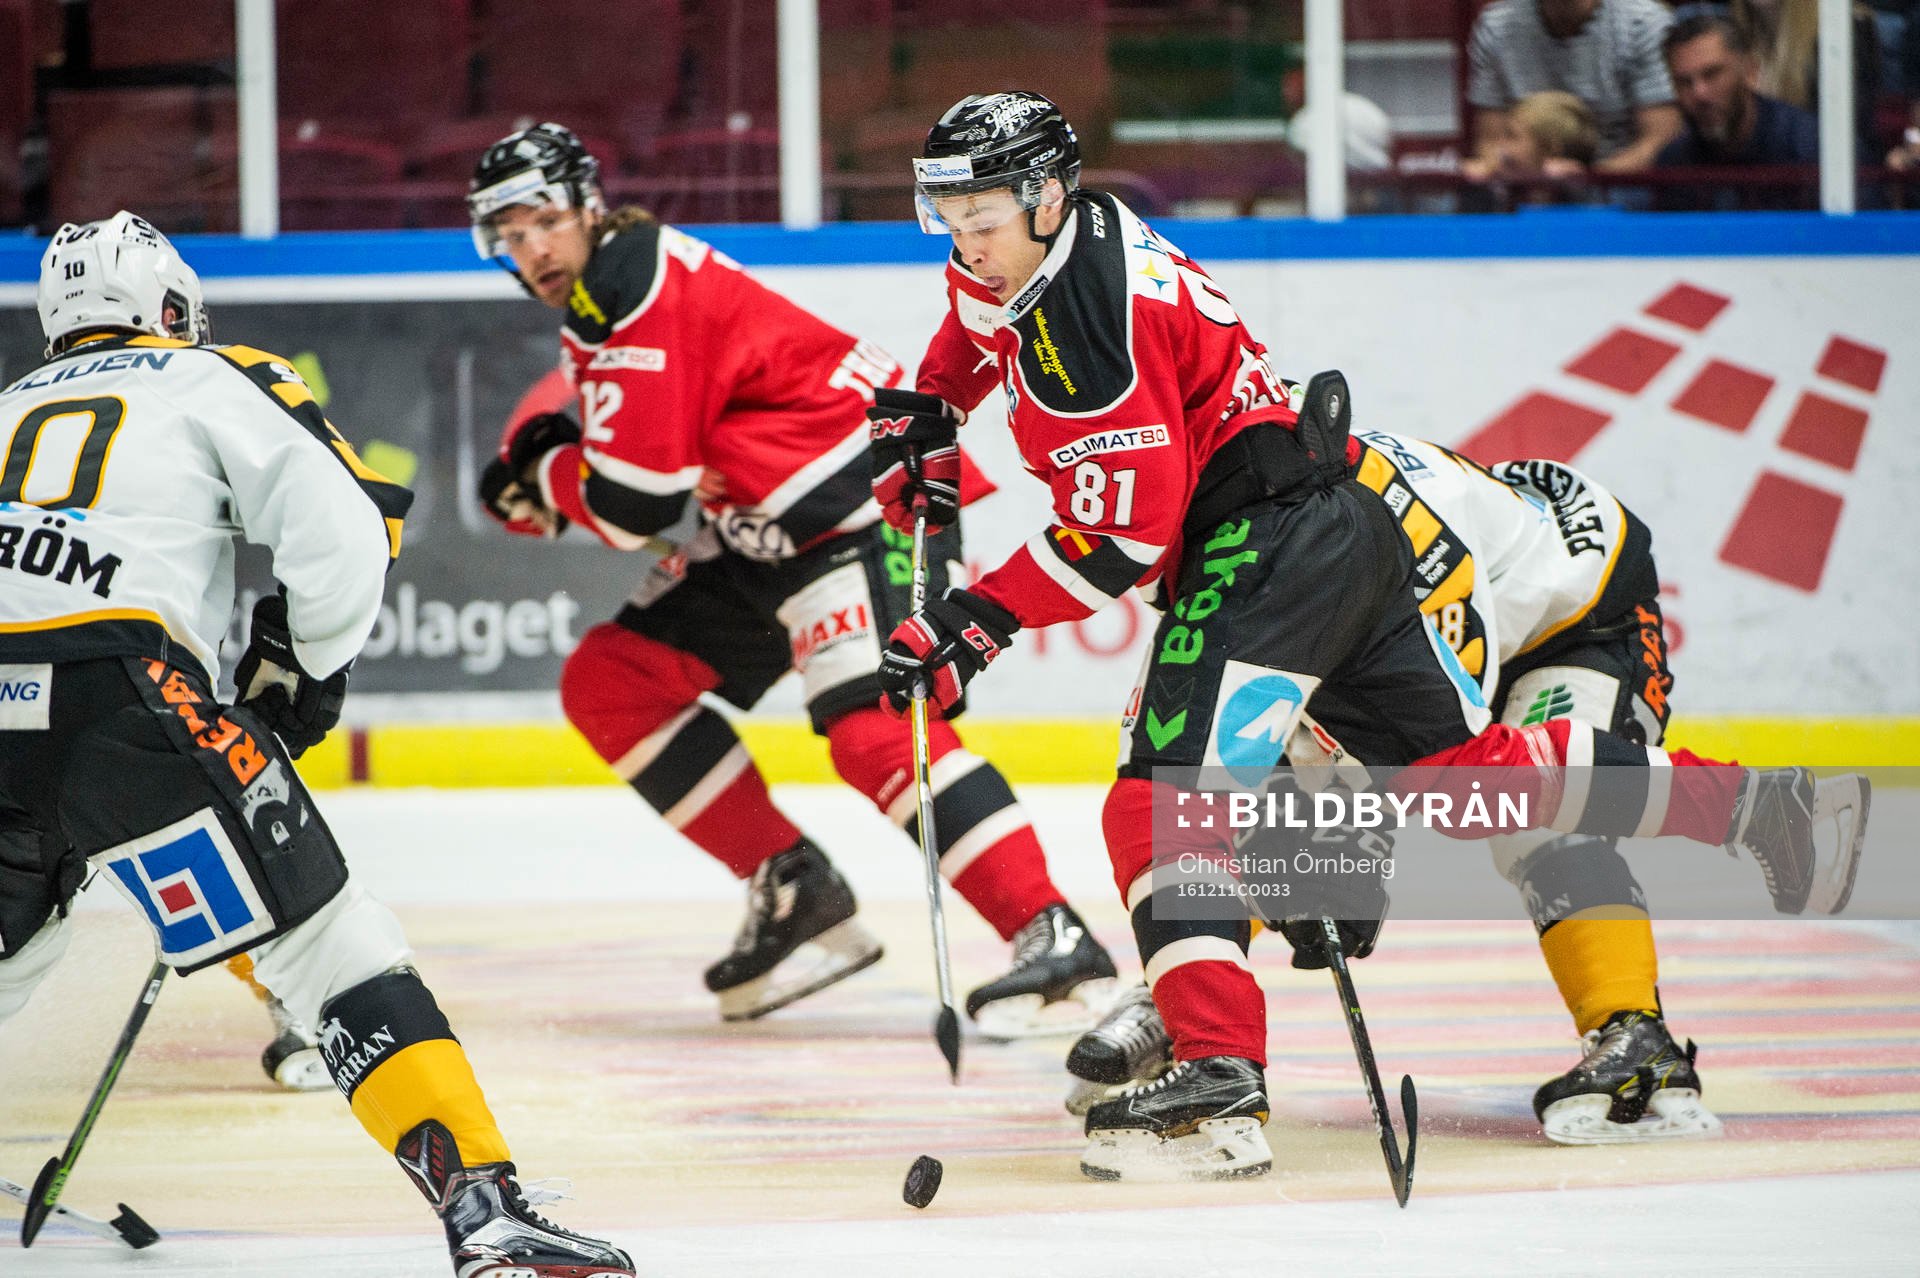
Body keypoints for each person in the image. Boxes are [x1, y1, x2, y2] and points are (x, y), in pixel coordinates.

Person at [874, 90, 1866, 1180]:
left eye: (983, 217)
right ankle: (1756, 806)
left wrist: (979, 618)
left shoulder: (1097, 336)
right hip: (1320, 542)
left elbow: (1125, 537)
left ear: (1047, 195)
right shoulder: (1039, 246)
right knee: (1449, 781)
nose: (968, 241)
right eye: (951, 218)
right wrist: (933, 403)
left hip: (1548, 600)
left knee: (1183, 796)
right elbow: (983, 317)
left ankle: (1225, 1069)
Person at [0, 213, 632, 1277]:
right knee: (328, 946)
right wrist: (300, 663)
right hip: (118, 699)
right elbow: (342, 524)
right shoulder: (210, 376)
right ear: (169, 306)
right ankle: (483, 1209)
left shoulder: (7, 403)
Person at [465, 123, 1116, 1038]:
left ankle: (1055, 935)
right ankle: (794, 885)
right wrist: (560, 469)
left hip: (866, 501)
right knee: (614, 680)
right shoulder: (607, 293)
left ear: (587, 205)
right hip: (767, 522)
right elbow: (644, 467)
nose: (531, 248)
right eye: (509, 234)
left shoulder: (628, 284)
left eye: (542, 221)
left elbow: (633, 505)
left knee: (877, 731)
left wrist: (545, 473)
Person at [1064, 433, 1871, 1143]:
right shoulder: (1247, 536)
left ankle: (1642, 1019)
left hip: (1580, 611)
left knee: (1518, 810)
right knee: (1262, 789)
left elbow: (1439, 746)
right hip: (1455, 593)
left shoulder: (1364, 537)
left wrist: (1336, 843)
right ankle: (1189, 994)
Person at [1467, 0, 1683, 175]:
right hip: (1522, 186)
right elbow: (1490, 142)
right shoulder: (1496, 27)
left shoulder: (1642, 23)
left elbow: (1661, 140)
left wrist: (1585, 181)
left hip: (1623, 188)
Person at [1657, 13, 1821, 208]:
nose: (1699, 93)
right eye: (1684, 82)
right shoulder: (1674, 164)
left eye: (1712, 74)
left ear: (1750, 71)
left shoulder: (1807, 148)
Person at [1459, 90, 1601, 197]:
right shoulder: (1489, 184)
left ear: (1550, 149)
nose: (1501, 146)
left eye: (1511, 136)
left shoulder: (1582, 195)